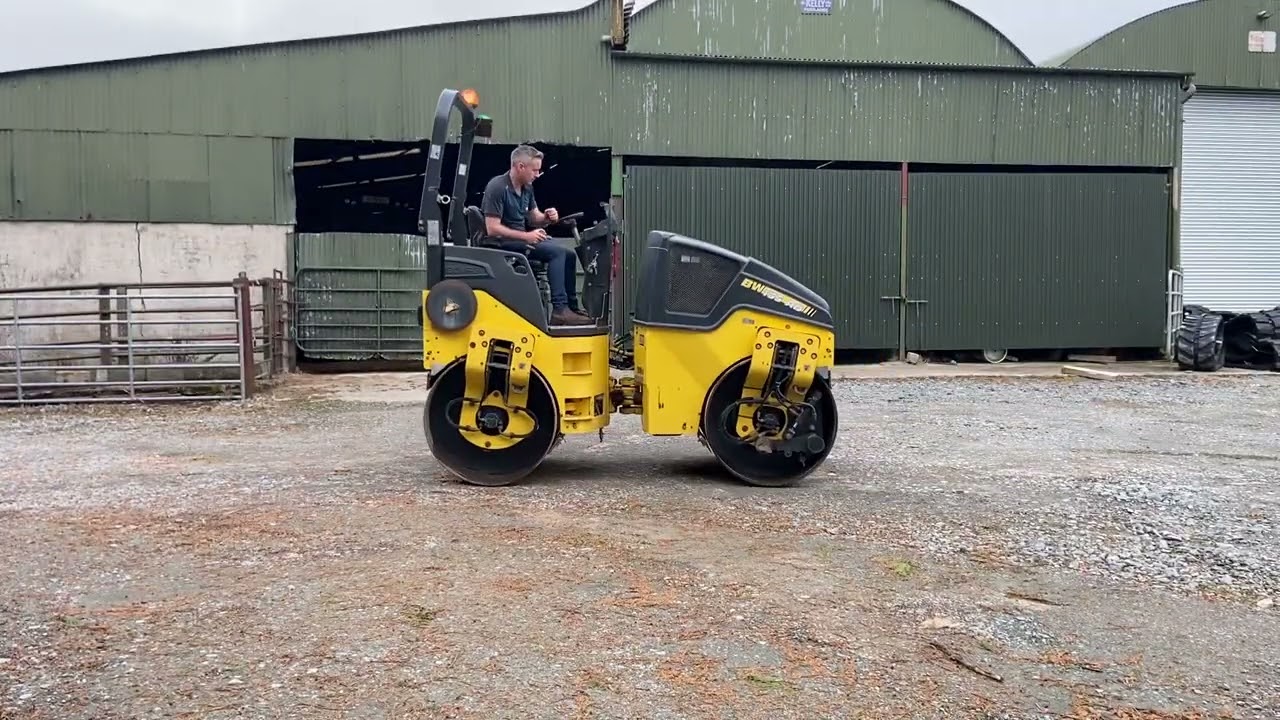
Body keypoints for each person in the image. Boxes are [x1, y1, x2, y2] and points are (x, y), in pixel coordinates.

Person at [480, 145, 591, 326]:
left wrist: (547, 217)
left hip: (521, 240)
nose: (538, 174)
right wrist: (527, 237)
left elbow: (534, 218)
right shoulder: (498, 187)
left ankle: (571, 308)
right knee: (556, 253)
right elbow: (492, 228)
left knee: (569, 254)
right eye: (535, 170)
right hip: (503, 244)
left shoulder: (527, 188)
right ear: (520, 167)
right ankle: (559, 309)